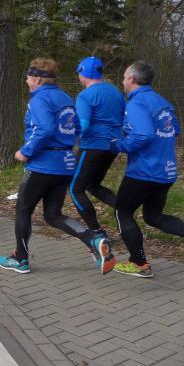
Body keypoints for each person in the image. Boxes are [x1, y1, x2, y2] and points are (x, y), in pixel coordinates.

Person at [0, 58, 109, 275]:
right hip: (65, 164)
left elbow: (45, 128)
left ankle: (20, 259)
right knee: (53, 215)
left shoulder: (39, 99)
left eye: (28, 77)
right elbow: (77, 128)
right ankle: (92, 238)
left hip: (43, 164)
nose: (27, 81)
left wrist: (26, 151)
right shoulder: (66, 98)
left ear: (37, 79)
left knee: (23, 209)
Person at [110, 61, 184, 278]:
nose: (123, 81)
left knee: (122, 211)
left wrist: (119, 145)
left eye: (124, 77)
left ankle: (139, 264)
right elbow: (174, 131)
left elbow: (143, 134)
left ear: (132, 79)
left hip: (143, 171)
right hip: (166, 170)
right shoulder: (163, 102)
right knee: (153, 216)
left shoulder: (136, 103)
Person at [69, 56, 123, 272]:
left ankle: (96, 232)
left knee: (75, 189)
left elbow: (82, 125)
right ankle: (124, 208)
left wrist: (67, 141)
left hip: (92, 147)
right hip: (112, 147)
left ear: (83, 73)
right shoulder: (116, 92)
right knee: (93, 185)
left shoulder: (85, 95)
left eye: (79, 73)